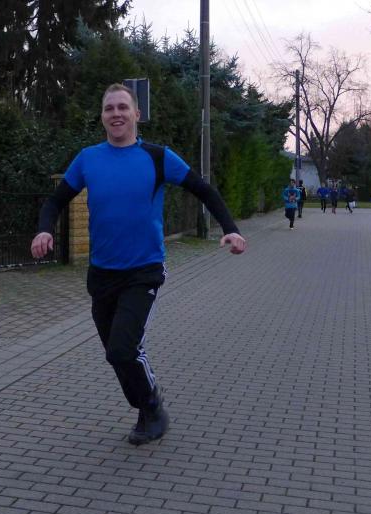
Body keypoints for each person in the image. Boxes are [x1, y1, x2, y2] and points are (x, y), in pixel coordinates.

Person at [31, 84, 246, 446]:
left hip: (143, 271)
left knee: (124, 349)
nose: (116, 113)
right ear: (102, 116)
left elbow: (204, 189)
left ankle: (152, 408)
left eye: (122, 107)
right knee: (115, 354)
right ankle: (145, 406)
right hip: (101, 273)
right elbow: (55, 201)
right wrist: (43, 229)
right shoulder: (88, 159)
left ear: (136, 114)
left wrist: (231, 229)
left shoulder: (158, 157)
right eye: (109, 108)